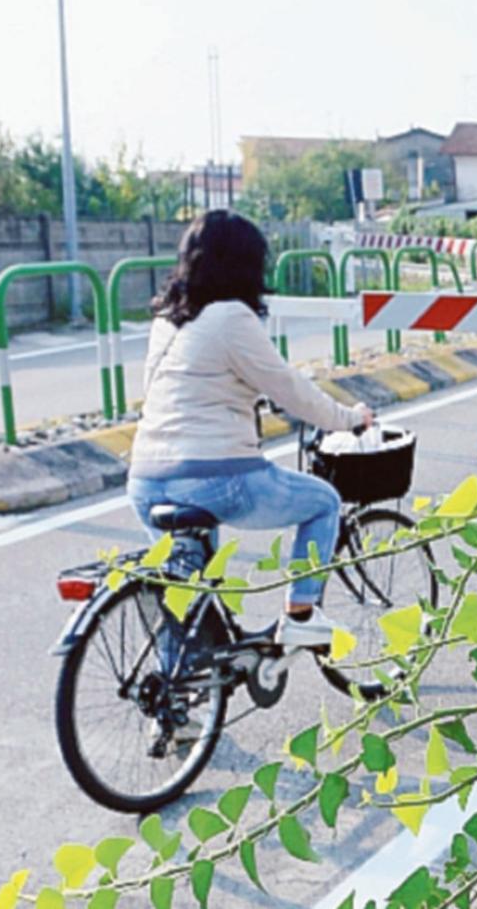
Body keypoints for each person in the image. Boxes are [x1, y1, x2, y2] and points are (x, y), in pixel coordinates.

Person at [127, 210, 371, 650]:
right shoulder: (231, 318)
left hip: (145, 479)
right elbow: (291, 389)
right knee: (323, 503)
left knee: (183, 593)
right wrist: (349, 419)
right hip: (214, 479)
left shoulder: (165, 320)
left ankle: (174, 704)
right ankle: (300, 613)